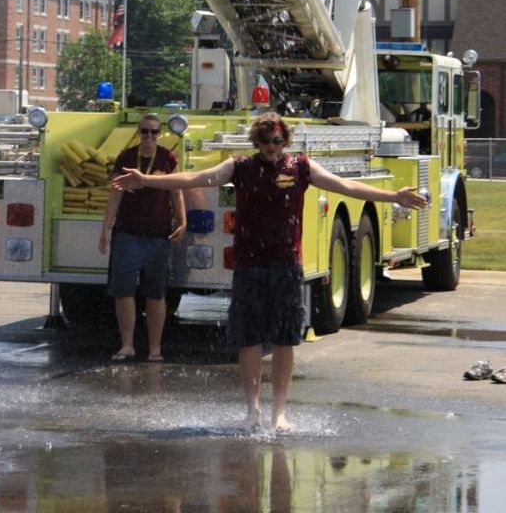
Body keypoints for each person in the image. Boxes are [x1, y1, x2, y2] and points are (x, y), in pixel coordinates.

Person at [113, 111, 428, 432]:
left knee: (284, 339)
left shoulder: (301, 167)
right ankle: (252, 410)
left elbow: (345, 185)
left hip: (286, 265)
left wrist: (394, 196)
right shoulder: (241, 167)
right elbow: (197, 178)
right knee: (248, 339)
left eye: (277, 141)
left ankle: (279, 413)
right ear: (257, 142)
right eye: (265, 142)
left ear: (285, 141)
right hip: (249, 265)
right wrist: (148, 180)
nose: (271, 148)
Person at [99, 113, 186, 363]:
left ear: (160, 134)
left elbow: (176, 192)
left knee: (156, 294)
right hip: (128, 234)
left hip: (158, 236)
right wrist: (105, 228)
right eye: (145, 131)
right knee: (123, 291)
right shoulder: (126, 158)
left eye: (154, 132)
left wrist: (182, 221)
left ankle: (155, 349)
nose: (149, 136)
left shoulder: (167, 158)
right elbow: (115, 195)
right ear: (138, 132)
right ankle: (127, 345)